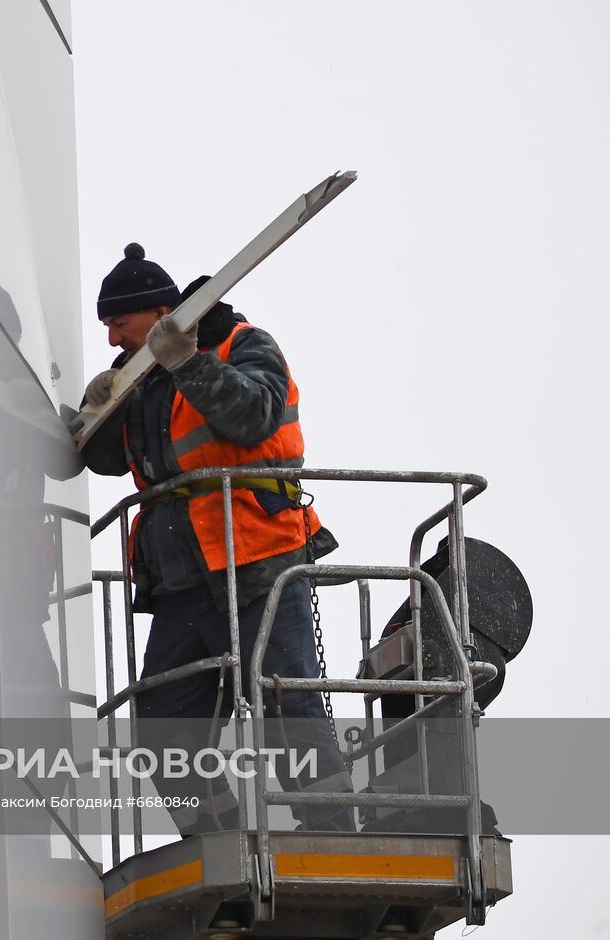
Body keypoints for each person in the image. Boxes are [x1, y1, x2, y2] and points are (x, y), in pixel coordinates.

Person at [81, 243, 354, 834]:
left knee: (289, 706)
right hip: (183, 581)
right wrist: (93, 411)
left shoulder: (243, 343)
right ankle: (218, 840)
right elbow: (102, 458)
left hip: (258, 561)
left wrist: (187, 363)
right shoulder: (143, 379)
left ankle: (333, 835)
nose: (110, 340)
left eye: (117, 323)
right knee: (165, 724)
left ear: (158, 314)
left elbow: (253, 415)